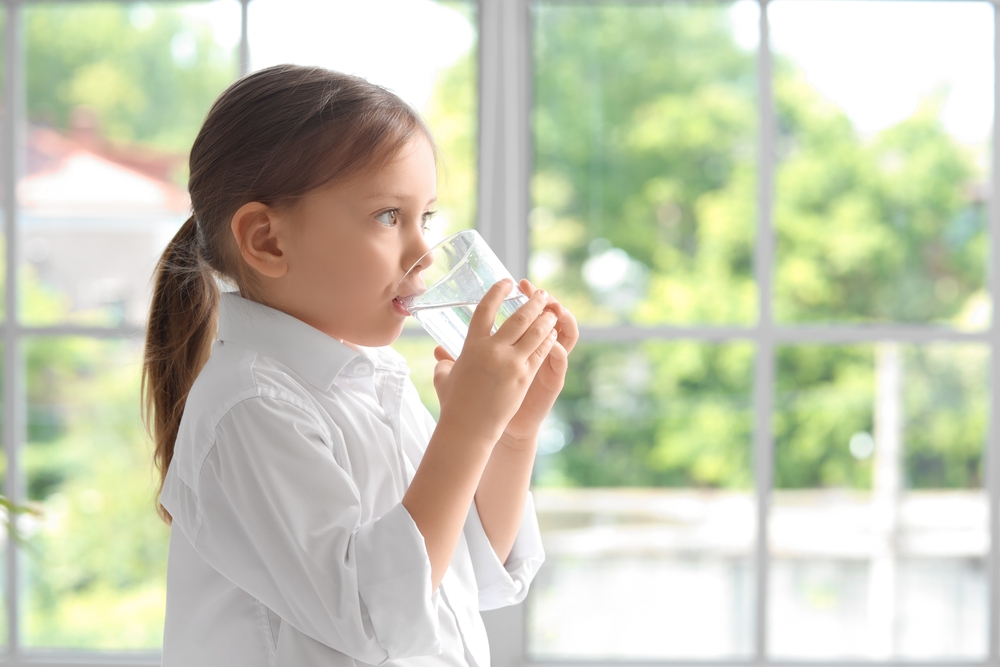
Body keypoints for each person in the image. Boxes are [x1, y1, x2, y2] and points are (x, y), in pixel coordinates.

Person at [142, 64, 578, 667]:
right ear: (267, 240)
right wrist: (467, 427)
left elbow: (471, 573)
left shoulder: (377, 382)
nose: (425, 252)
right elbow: (376, 620)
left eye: (425, 217)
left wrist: (511, 432)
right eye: (387, 216)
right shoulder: (249, 405)